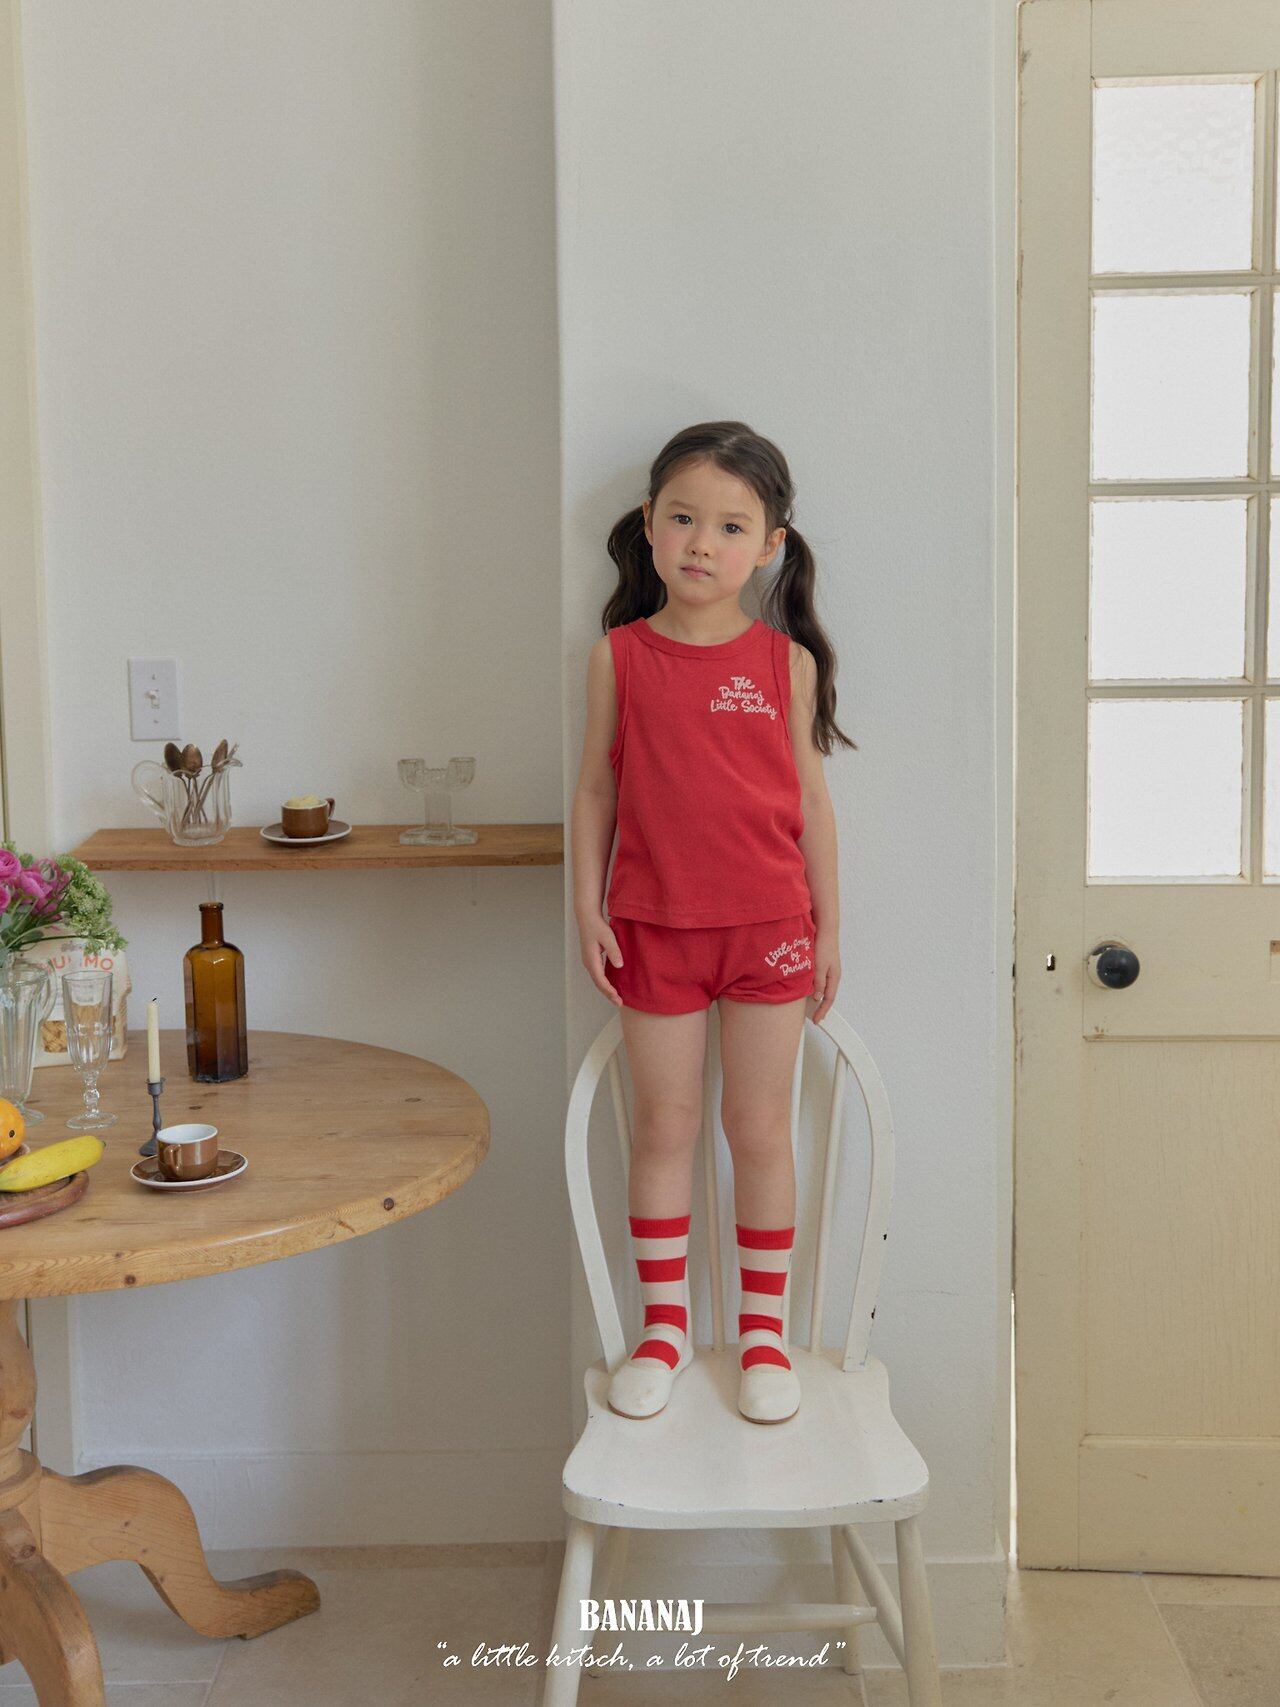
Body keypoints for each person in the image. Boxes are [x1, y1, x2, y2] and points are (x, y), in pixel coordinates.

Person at [571, 420, 855, 1426]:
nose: (701, 542)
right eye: (683, 518)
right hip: (653, 929)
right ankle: (663, 1330)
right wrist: (587, 905)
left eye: (730, 526)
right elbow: (596, 791)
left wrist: (827, 928)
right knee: (664, 1126)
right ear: (648, 524)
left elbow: (811, 802)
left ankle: (762, 1334)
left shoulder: (785, 663)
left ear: (769, 545)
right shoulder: (618, 657)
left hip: (769, 929)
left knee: (759, 1129)